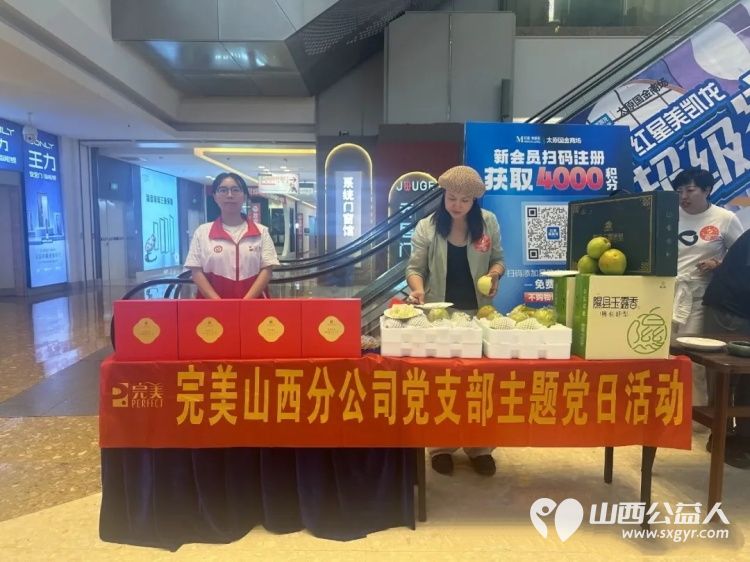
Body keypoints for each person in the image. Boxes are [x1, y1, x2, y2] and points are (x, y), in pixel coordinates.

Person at [406, 165, 505, 476]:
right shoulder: (427, 227)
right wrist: (418, 290)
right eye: (451, 198)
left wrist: (494, 274)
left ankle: (480, 447)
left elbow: (498, 259)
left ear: (474, 200)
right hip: (441, 317)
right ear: (443, 196)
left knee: (480, 384)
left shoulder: (488, 223)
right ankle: (441, 446)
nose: (457, 205)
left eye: (465, 200)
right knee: (443, 384)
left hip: (479, 315)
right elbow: (415, 269)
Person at [672, 168, 744, 408]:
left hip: (700, 297)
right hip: (666, 292)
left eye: (690, 190)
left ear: (707, 190)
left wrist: (717, 264)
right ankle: (668, 411)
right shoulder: (668, 215)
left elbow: (741, 258)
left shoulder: (724, 218)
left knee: (694, 357)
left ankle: (697, 417)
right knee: (665, 355)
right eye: (679, 191)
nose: (684, 196)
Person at [185, 172, 279, 299]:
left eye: (235, 190)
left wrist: (244, 304)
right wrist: (219, 304)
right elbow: (196, 271)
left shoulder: (261, 232)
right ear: (215, 196)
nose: (229, 195)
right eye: (223, 190)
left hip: (253, 306)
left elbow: (267, 270)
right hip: (211, 307)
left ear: (244, 196)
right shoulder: (202, 232)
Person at [702, 228, 750, 468]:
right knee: (726, 375)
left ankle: (741, 439)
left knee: (745, 378)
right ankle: (723, 438)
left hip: (739, 306)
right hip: (730, 308)